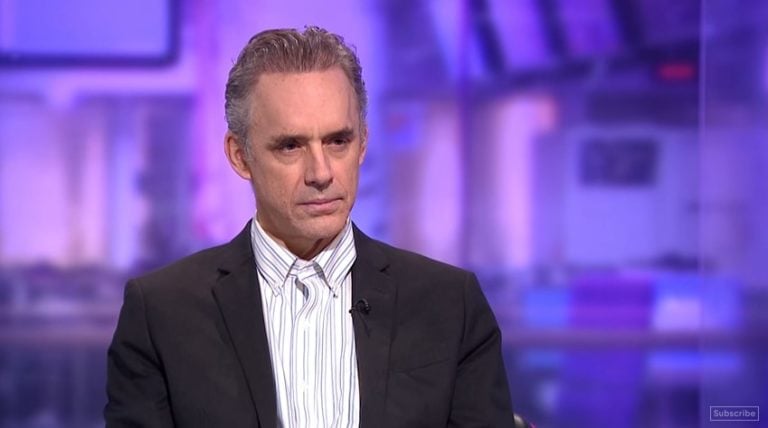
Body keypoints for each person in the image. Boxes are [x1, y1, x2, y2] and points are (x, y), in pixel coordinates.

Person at [105, 26, 514, 427]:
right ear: (239, 155)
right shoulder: (161, 313)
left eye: (338, 141)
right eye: (290, 146)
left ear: (363, 143)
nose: (321, 173)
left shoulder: (450, 304)